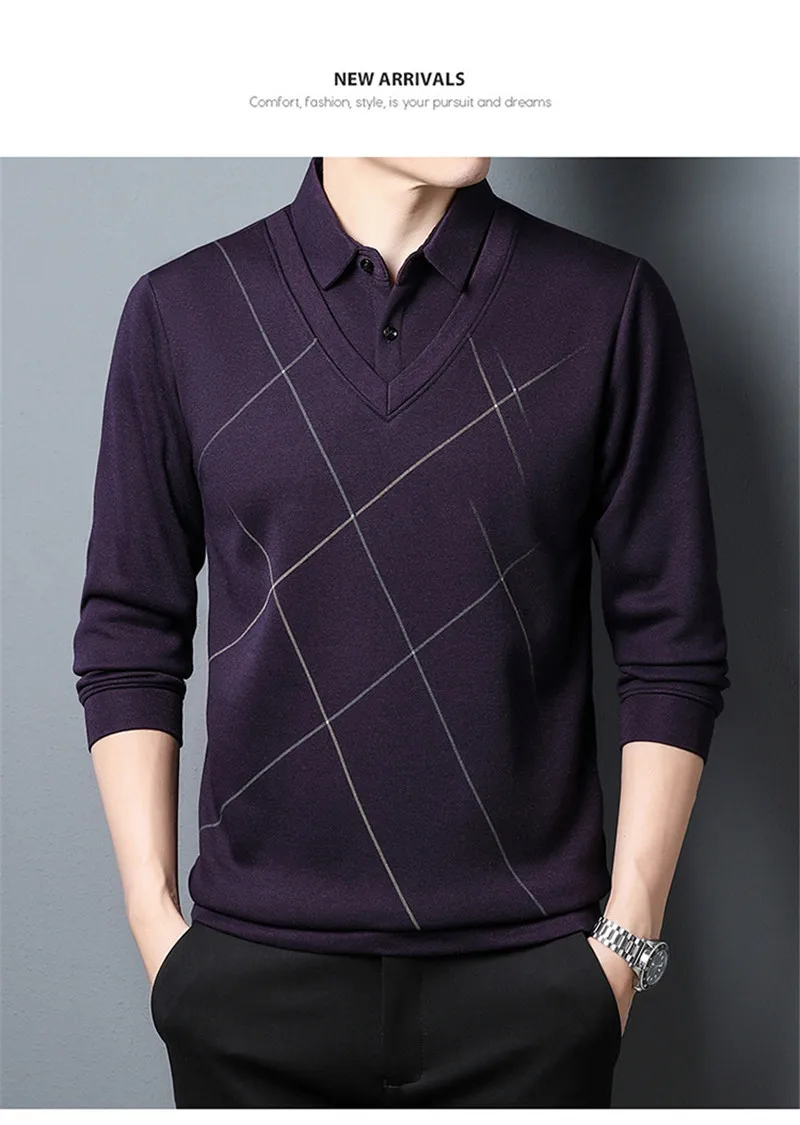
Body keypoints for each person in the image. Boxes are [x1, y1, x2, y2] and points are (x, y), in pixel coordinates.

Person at [72, 156, 730, 1109]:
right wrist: (156, 925)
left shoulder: (608, 305)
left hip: (533, 987)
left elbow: (673, 642)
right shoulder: (184, 312)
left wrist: (623, 944)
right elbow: (129, 629)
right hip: (252, 988)